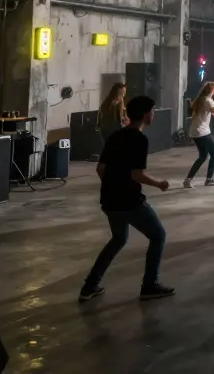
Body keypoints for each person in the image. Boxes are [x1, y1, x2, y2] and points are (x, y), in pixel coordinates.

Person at [79, 95, 174, 302]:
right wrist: (159, 183)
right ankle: (150, 285)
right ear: (146, 115)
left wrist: (112, 186)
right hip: (129, 201)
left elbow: (100, 168)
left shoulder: (116, 136)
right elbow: (136, 174)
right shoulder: (139, 139)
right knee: (158, 235)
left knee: (118, 239)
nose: (154, 114)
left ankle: (90, 286)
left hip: (109, 200)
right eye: (152, 111)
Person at [183, 81, 214, 188]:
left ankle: (188, 180)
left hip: (195, 131)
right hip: (202, 132)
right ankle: (209, 179)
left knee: (203, 156)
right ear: (212, 90)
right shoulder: (208, 100)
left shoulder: (200, 99)